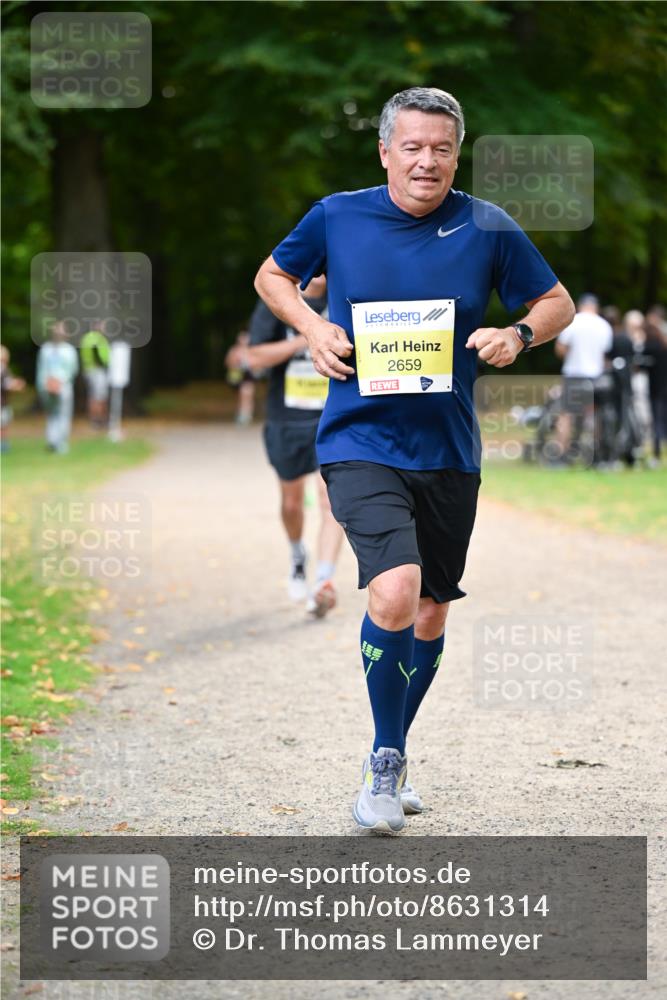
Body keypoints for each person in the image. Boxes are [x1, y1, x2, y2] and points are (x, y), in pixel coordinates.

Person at [255, 87, 574, 832]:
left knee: (430, 609)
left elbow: (556, 301)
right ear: (384, 152)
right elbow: (272, 276)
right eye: (412, 146)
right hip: (359, 438)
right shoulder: (337, 215)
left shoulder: (486, 225)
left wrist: (518, 334)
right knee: (394, 591)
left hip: (448, 448)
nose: (426, 161)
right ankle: (385, 762)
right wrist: (311, 326)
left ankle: (390, 751)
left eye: (441, 148)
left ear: (456, 156)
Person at [228, 276, 344, 616]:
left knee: (331, 500)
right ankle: (297, 554)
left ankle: (323, 581)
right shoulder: (279, 300)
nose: (319, 271)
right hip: (287, 420)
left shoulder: (345, 296)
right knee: (292, 505)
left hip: (332, 417)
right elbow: (254, 357)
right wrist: (308, 336)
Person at [554, 294, 613, 463]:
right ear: (596, 307)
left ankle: (561, 455)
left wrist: (571, 355)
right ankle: (596, 455)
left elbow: (560, 348)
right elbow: (605, 354)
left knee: (567, 415)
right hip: (595, 376)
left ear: (580, 306)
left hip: (574, 374)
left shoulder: (573, 321)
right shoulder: (604, 325)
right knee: (595, 414)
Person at [36, 321, 79, 454]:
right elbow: (41, 369)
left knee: (63, 414)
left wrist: (60, 382)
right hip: (47, 387)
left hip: (64, 387)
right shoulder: (46, 349)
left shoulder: (69, 350)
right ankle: (52, 441)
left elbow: (72, 370)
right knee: (52, 414)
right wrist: (44, 385)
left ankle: (62, 442)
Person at [642, 305, 667, 464]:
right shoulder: (663, 344)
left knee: (657, 420)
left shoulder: (650, 346)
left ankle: (657, 453)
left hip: (656, 388)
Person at [80, 325, 111, 427]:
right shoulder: (97, 339)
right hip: (97, 370)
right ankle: (99, 420)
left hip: (89, 370)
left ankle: (94, 420)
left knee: (92, 396)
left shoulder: (86, 338)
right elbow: (97, 354)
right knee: (99, 397)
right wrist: (104, 364)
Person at [226, 330, 257, 426]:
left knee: (247, 394)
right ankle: (241, 413)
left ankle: (246, 415)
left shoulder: (252, 350)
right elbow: (228, 363)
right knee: (241, 396)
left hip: (248, 376)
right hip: (237, 376)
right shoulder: (234, 350)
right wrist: (235, 361)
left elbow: (257, 364)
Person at [1, 345, 26, 453]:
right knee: (3, 425)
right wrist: (17, 385)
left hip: (4, 403)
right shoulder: (3, 370)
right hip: (2, 404)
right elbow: (6, 384)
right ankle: (3, 445)